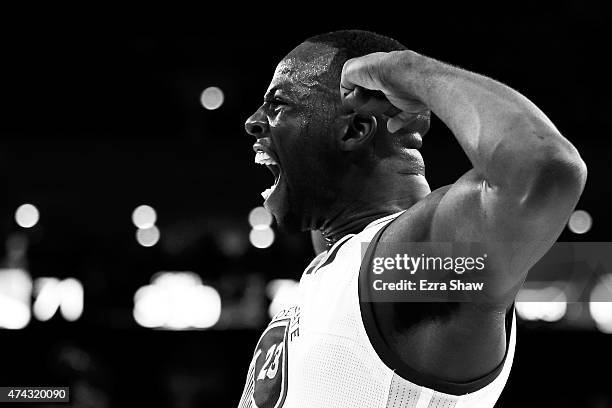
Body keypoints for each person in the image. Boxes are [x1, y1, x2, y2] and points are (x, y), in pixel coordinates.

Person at [239, 29, 586, 407]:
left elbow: (546, 167)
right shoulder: (342, 254)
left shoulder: (406, 264)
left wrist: (408, 71)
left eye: (278, 105)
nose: (253, 122)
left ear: (355, 129)